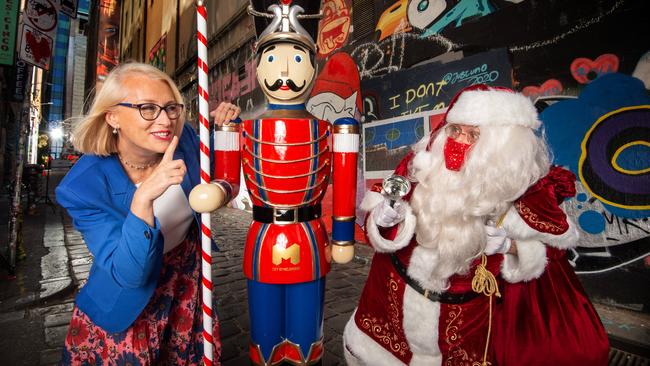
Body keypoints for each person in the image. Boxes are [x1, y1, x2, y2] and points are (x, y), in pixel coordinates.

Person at [342, 84, 608, 365]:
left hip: (468, 323)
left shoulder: (527, 188)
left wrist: (512, 245)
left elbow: (554, 250)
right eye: (455, 130)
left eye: (474, 134)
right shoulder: (422, 163)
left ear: (502, 144)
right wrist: (384, 219)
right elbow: (384, 206)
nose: (459, 141)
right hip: (391, 309)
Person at [189, 1, 359, 364]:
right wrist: (216, 191)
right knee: (264, 331)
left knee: (305, 330)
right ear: (258, 65)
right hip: (263, 238)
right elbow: (229, 181)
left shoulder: (337, 130)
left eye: (296, 59)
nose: (283, 70)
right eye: (273, 59)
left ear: (313, 66)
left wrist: (343, 236)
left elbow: (344, 185)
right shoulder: (239, 128)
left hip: (310, 237)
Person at [56, 62, 240, 365]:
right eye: (147, 108)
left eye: (170, 107)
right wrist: (142, 200)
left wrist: (225, 126)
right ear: (113, 116)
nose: (165, 120)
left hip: (186, 284)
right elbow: (130, 275)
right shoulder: (82, 187)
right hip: (128, 306)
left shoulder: (187, 141)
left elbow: (222, 172)